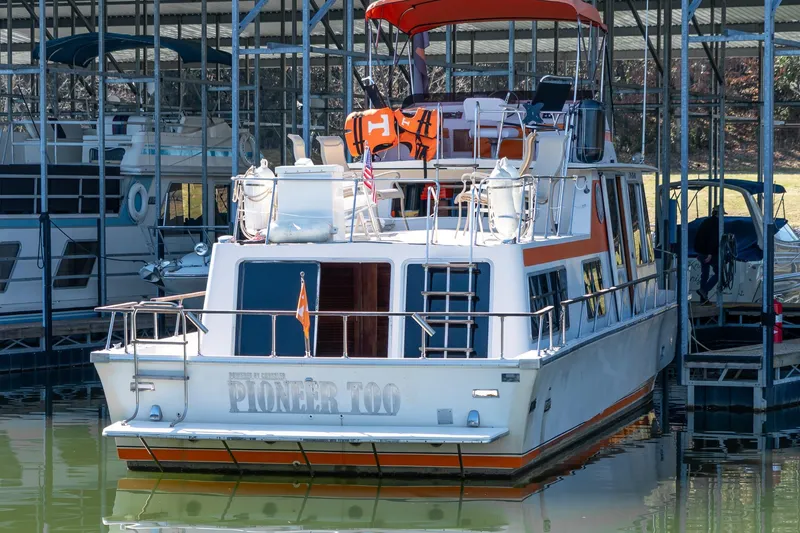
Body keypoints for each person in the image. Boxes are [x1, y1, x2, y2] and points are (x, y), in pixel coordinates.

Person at [694, 206, 726, 303]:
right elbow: (712, 239)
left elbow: (699, 237)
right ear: (718, 214)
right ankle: (704, 290)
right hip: (709, 253)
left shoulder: (706, 222)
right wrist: (710, 253)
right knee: (719, 273)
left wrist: (699, 252)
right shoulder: (716, 224)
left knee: (705, 275)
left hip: (701, 252)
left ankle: (703, 300)